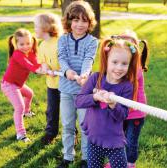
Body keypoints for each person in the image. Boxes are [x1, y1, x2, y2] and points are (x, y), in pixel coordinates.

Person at [75, 37, 140, 168]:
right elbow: (79, 101)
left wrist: (113, 104)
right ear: (107, 60)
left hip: (114, 142)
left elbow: (122, 116)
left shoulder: (127, 86)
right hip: (93, 138)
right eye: (115, 62)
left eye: (124, 63)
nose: (119, 68)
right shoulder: (95, 78)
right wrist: (95, 97)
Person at [57, 1, 98, 168]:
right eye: (75, 20)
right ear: (69, 21)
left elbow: (89, 59)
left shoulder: (92, 41)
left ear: (89, 23)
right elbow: (62, 58)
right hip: (66, 90)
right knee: (67, 124)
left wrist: (84, 75)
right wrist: (68, 72)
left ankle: (86, 158)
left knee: (84, 126)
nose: (80, 24)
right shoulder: (63, 40)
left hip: (84, 91)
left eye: (84, 20)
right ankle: (68, 156)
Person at [104, 30, 150, 168]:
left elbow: (120, 80)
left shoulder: (136, 67)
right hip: (121, 110)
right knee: (119, 137)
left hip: (135, 112)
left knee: (131, 140)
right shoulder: (119, 65)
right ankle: (117, 162)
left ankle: (130, 164)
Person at [0, 28, 43, 142]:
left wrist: (42, 67)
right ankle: (21, 134)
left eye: (28, 43)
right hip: (9, 85)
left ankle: (26, 112)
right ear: (16, 44)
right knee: (19, 107)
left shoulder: (31, 53)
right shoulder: (17, 54)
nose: (25, 46)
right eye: (22, 44)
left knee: (29, 94)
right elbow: (28, 65)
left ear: (32, 41)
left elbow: (36, 63)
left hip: (18, 84)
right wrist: (37, 70)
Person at [34, 13, 63, 145]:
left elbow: (65, 62)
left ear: (45, 27)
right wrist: (45, 68)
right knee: (51, 110)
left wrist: (58, 71)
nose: (34, 29)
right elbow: (43, 60)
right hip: (51, 85)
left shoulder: (59, 42)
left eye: (36, 26)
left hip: (64, 84)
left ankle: (72, 134)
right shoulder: (42, 45)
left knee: (68, 112)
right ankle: (51, 132)